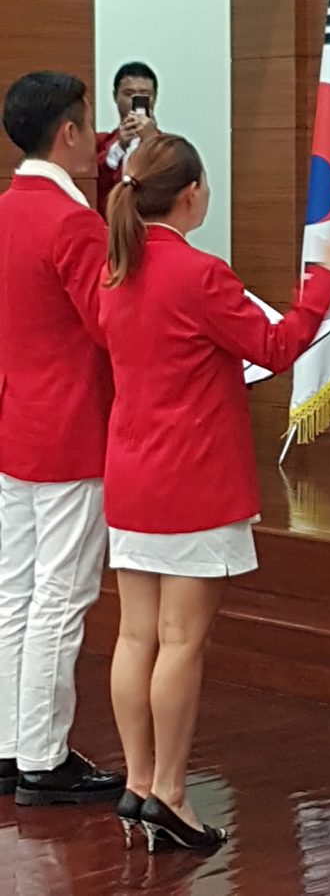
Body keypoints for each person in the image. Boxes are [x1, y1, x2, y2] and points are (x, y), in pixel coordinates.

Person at [99, 135, 330, 852]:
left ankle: (138, 783)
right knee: (182, 642)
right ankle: (172, 794)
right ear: (190, 194)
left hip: (133, 475)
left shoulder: (114, 272)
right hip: (194, 480)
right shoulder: (199, 274)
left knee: (136, 636)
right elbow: (275, 346)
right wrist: (324, 283)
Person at [0, 72, 124, 804]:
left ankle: (10, 743)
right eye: (88, 123)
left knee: (14, 591)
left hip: (15, 422)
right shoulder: (73, 223)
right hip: (72, 426)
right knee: (61, 595)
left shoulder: (7, 209)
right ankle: (44, 757)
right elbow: (108, 324)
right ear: (69, 132)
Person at [96, 61, 160, 217]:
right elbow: (92, 186)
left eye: (144, 94)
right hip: (108, 224)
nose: (134, 102)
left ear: (154, 98)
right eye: (128, 94)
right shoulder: (98, 143)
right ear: (115, 96)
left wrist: (153, 143)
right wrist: (119, 148)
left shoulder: (171, 148)